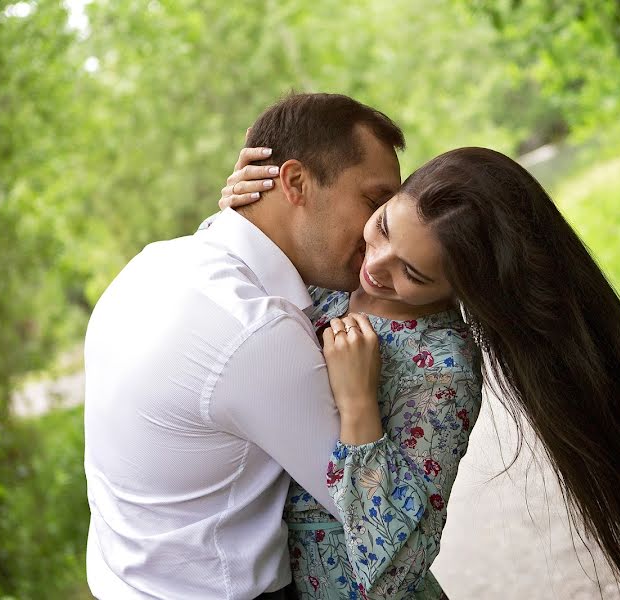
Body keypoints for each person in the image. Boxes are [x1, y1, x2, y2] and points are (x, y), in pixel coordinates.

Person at [223, 146, 620, 600]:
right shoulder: (325, 274)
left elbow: (393, 574)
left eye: (413, 275)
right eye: (383, 227)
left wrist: (359, 409)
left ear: (462, 290)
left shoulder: (441, 369)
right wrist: (245, 212)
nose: (374, 266)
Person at [83, 93, 406, 600]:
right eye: (374, 201)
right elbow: (374, 519)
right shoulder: (256, 332)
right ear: (295, 182)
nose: (379, 231)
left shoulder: (152, 264)